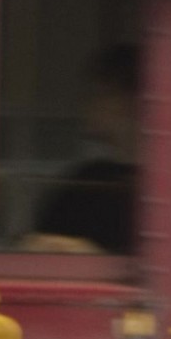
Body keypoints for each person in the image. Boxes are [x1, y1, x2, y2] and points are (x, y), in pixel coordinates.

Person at [22, 44, 139, 254]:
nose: (87, 103)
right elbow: (32, 247)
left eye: (100, 93)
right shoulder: (87, 180)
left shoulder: (168, 190)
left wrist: (92, 258)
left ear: (131, 101)